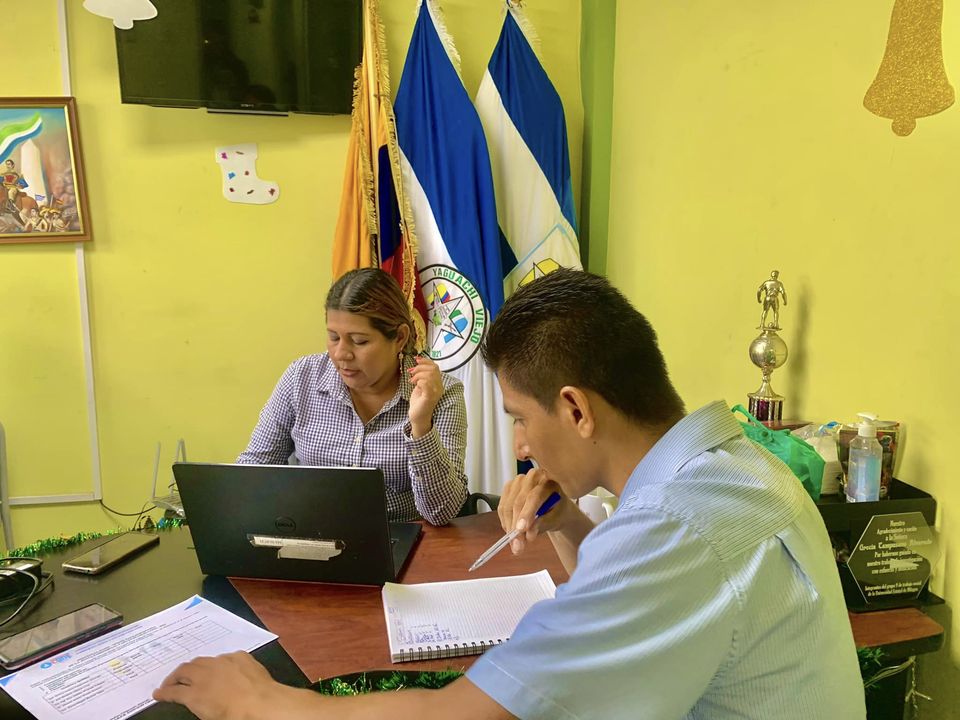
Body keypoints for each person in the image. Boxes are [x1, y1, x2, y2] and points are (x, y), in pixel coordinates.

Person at [154, 269, 865, 719]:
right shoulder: (736, 466)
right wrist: (568, 524)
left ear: (576, 409)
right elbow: (631, 590)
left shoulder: (676, 529)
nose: (521, 448)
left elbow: (469, 712)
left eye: (520, 419)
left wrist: (263, 702)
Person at [236, 267, 468, 526]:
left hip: (403, 536)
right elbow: (253, 470)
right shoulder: (301, 377)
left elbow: (441, 513)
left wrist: (421, 426)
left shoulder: (441, 393)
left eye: (359, 341)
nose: (341, 354)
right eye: (333, 337)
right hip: (312, 533)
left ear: (400, 338)